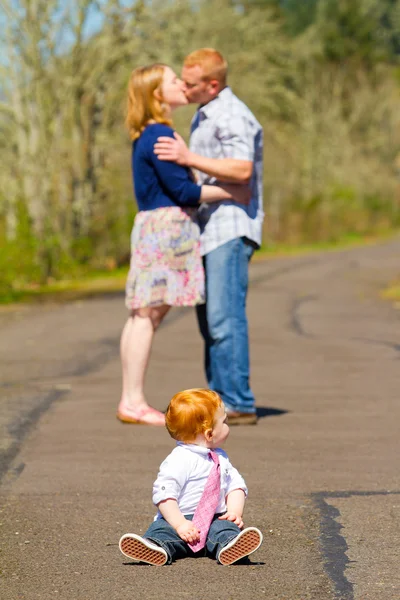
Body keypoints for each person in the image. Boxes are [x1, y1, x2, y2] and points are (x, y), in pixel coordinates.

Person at [118, 64, 250, 426]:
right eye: (173, 80)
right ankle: (133, 401)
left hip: (153, 226)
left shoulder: (150, 132)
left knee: (142, 314)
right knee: (147, 315)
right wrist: (231, 191)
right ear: (158, 94)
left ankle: (131, 400)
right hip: (167, 228)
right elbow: (183, 191)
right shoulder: (160, 134)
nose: (181, 83)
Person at [154, 49, 264, 425]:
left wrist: (187, 159)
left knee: (224, 318)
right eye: (181, 79)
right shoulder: (205, 114)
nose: (183, 87)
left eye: (191, 82)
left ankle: (238, 402)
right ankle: (220, 402)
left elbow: (242, 169)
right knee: (209, 321)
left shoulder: (231, 113)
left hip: (230, 228)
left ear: (212, 84)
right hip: (208, 227)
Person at [119, 388, 263, 565]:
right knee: (162, 530)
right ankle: (154, 547)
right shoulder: (179, 460)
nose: (228, 425)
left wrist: (234, 512)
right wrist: (180, 524)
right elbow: (164, 494)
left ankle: (231, 546)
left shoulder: (221, 458)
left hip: (215, 517)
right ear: (209, 434)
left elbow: (236, 485)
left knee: (225, 528)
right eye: (225, 421)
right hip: (180, 518)